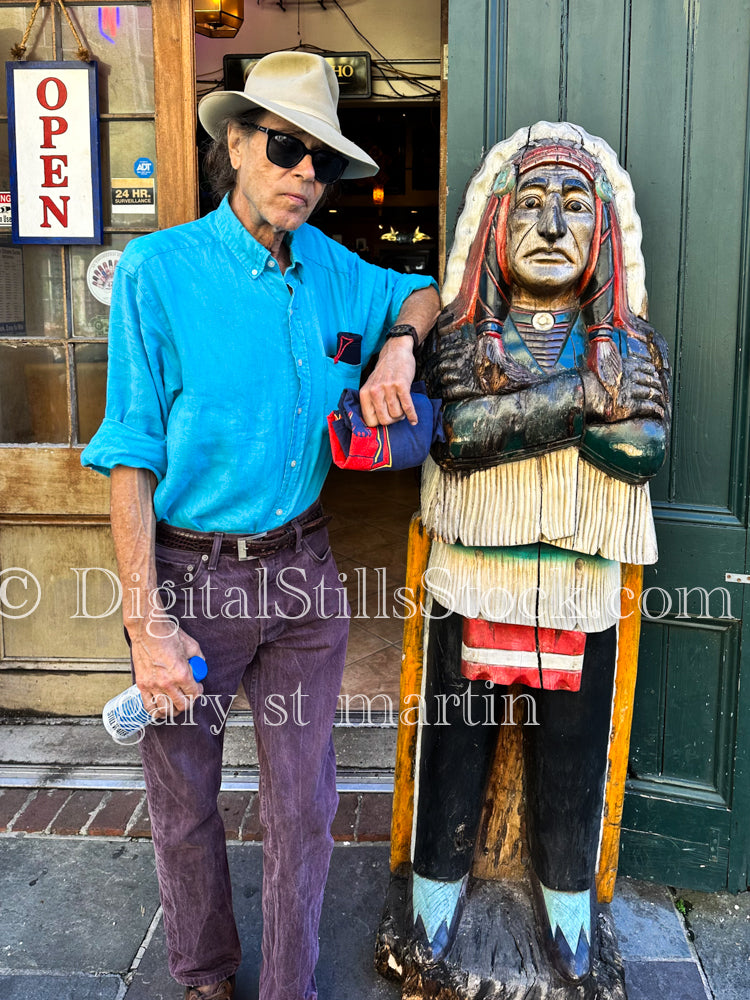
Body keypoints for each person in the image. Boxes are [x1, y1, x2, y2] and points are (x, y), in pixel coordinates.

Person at [81, 51, 439, 1000]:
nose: (305, 176)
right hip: (192, 577)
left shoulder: (332, 269)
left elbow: (424, 290)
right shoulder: (161, 272)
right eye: (285, 148)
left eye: (320, 160)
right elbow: (130, 455)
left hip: (305, 577)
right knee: (185, 802)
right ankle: (205, 975)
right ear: (235, 143)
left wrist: (399, 344)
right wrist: (145, 623)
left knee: (306, 806)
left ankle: (291, 986)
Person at [408, 124, 669, 983]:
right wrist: (585, 399)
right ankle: (430, 898)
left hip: (579, 583)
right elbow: (460, 436)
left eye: (573, 205)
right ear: (496, 225)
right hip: (474, 573)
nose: (552, 225)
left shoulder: (630, 345)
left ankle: (569, 909)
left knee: (572, 751)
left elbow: (638, 450)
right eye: (530, 204)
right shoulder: (459, 339)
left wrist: (539, 413)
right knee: (456, 743)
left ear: (602, 232)